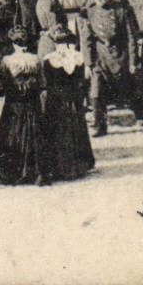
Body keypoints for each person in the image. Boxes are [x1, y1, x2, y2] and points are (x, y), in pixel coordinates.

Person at [83, 0, 143, 135]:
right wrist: (88, 63)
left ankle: (139, 114)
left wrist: (133, 61)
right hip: (101, 57)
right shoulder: (90, 10)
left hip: (120, 56)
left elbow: (131, 37)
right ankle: (99, 125)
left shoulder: (120, 10)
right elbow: (87, 38)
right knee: (96, 92)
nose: (100, 1)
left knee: (128, 87)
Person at [0, 25, 49, 185]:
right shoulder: (36, 59)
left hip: (14, 103)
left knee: (12, 133)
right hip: (32, 103)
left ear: (13, 43)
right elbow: (43, 83)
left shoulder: (7, 60)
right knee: (34, 133)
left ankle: (13, 171)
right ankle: (36, 172)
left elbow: (0, 87)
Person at [40, 25, 95, 182]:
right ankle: (79, 166)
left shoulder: (50, 59)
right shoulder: (78, 57)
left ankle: (60, 168)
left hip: (56, 101)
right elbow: (83, 81)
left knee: (58, 132)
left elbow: (47, 82)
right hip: (74, 100)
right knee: (76, 130)